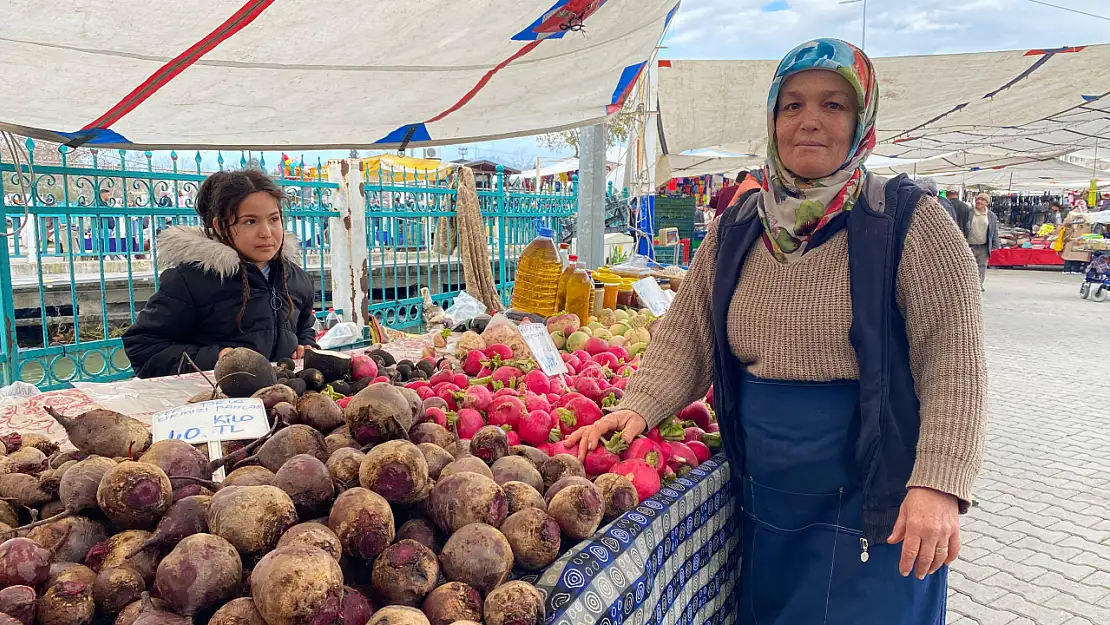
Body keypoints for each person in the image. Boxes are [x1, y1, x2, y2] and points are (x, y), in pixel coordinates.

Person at [568, 38, 986, 624]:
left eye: (834, 105)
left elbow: (956, 364)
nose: (809, 121)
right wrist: (639, 407)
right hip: (768, 494)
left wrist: (939, 483)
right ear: (772, 119)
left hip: (877, 496)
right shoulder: (739, 227)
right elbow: (688, 335)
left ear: (862, 119)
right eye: (792, 105)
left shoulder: (909, 222)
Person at [123, 170, 318, 378]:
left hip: (279, 401)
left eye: (274, 219)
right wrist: (214, 358)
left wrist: (305, 345)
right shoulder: (190, 281)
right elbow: (143, 347)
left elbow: (305, 326)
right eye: (250, 221)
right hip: (215, 402)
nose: (266, 233)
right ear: (220, 226)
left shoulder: (296, 278)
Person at [968, 192, 1001, 290]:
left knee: (982, 266)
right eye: (978, 199)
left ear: (987, 203)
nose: (979, 201)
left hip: (984, 245)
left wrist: (996, 244)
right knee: (969, 265)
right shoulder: (969, 212)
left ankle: (979, 285)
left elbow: (994, 231)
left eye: (982, 200)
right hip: (969, 244)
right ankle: (969, 285)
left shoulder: (991, 216)